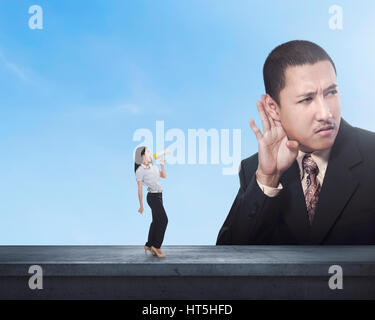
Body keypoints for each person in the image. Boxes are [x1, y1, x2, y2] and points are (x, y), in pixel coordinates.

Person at [217, 40, 375, 245]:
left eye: (331, 92)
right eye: (307, 99)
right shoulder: (254, 170)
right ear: (273, 107)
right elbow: (228, 258)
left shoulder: (370, 154)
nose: (325, 113)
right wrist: (268, 179)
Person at [134, 146, 168, 257]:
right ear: (142, 155)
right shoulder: (140, 171)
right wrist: (141, 205)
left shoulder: (152, 166)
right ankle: (156, 247)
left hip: (159, 195)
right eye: (148, 151)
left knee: (156, 221)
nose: (150, 153)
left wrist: (162, 163)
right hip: (152, 197)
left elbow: (163, 176)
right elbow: (139, 188)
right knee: (164, 220)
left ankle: (149, 244)